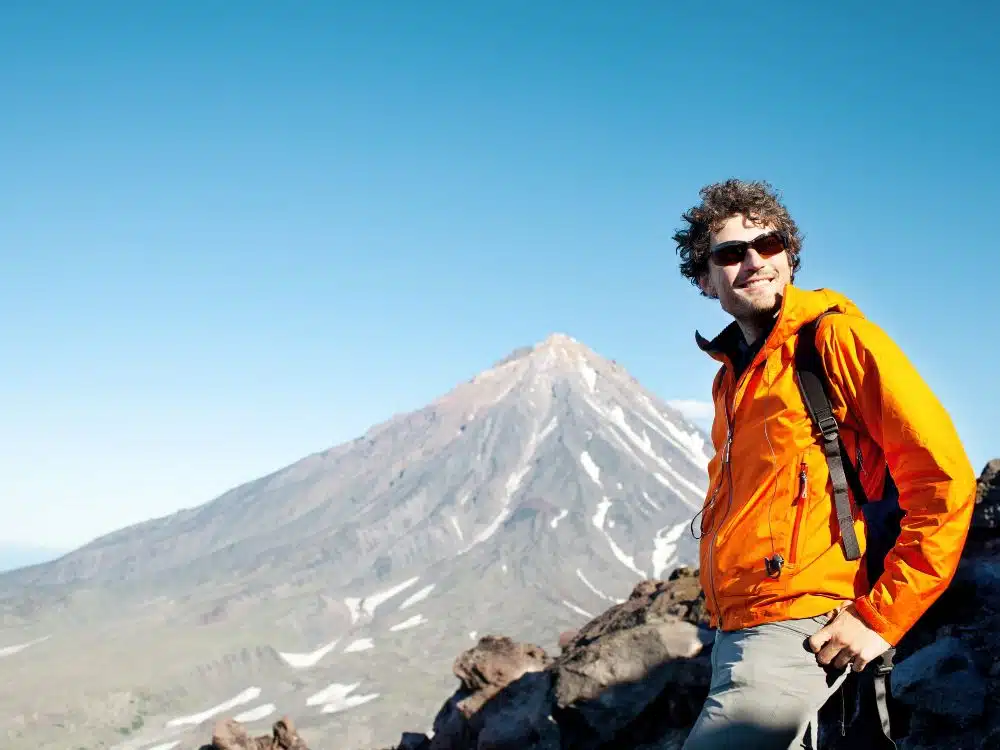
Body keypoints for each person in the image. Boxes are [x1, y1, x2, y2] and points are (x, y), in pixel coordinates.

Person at [672, 178, 977, 749]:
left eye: (769, 244)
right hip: (737, 627)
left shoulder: (834, 340)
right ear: (704, 279)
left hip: (803, 623)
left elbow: (943, 478)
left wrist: (879, 618)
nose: (755, 261)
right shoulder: (731, 377)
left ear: (790, 254)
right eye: (732, 253)